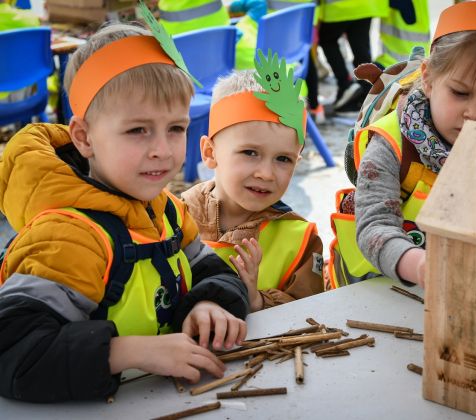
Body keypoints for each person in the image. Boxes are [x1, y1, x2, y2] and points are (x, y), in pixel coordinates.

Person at [0, 20, 253, 402]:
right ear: (84, 137)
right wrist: (127, 352)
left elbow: (211, 268)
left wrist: (208, 302)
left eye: (176, 128)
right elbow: (13, 352)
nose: (163, 150)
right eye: (138, 130)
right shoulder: (68, 237)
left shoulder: (164, 209)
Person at [327, 1, 476, 288]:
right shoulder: (391, 146)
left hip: (455, 286)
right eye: (460, 93)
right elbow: (374, 227)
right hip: (373, 288)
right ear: (428, 78)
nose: (474, 114)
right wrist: (420, 265)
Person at [182, 60, 325, 312]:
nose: (266, 174)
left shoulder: (300, 239)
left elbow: (310, 312)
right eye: (250, 152)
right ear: (209, 152)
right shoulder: (175, 216)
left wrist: (258, 301)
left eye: (283, 159)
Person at [318, 0, 389, 112]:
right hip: (366, 5)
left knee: (327, 40)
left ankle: (345, 84)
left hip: (338, 7)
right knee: (360, 46)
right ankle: (367, 93)